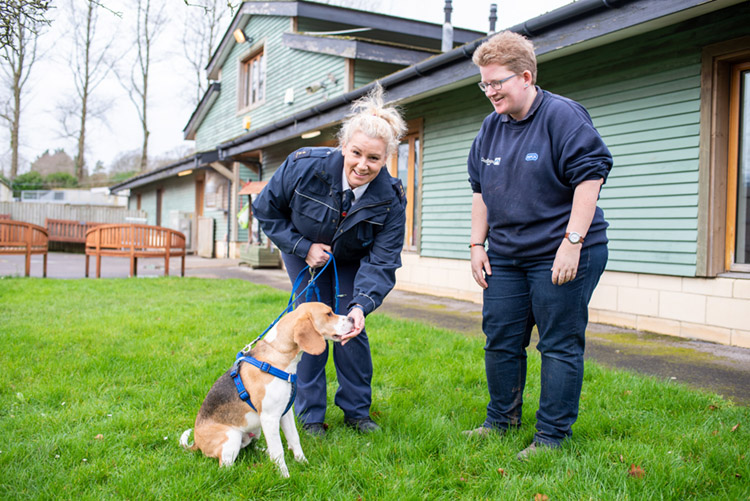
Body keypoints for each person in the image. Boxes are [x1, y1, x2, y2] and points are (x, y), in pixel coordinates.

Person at [464, 31, 612, 460]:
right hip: (507, 254)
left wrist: (572, 243)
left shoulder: (562, 116)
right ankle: (500, 421)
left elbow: (591, 177)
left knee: (558, 343)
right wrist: (477, 245)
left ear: (525, 76)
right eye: (484, 84)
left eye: (497, 83)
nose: (489, 91)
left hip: (561, 249)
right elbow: (479, 190)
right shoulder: (490, 128)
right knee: (500, 339)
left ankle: (551, 438)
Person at [252, 85, 407, 436]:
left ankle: (356, 411)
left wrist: (360, 306)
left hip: (354, 261)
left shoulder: (391, 199)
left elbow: (383, 260)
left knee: (349, 327)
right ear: (343, 145)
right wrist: (302, 246)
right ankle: (309, 416)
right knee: (309, 326)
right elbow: (266, 210)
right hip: (304, 253)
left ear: (386, 159)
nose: (362, 165)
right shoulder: (304, 166)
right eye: (356, 153)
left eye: (374, 159)